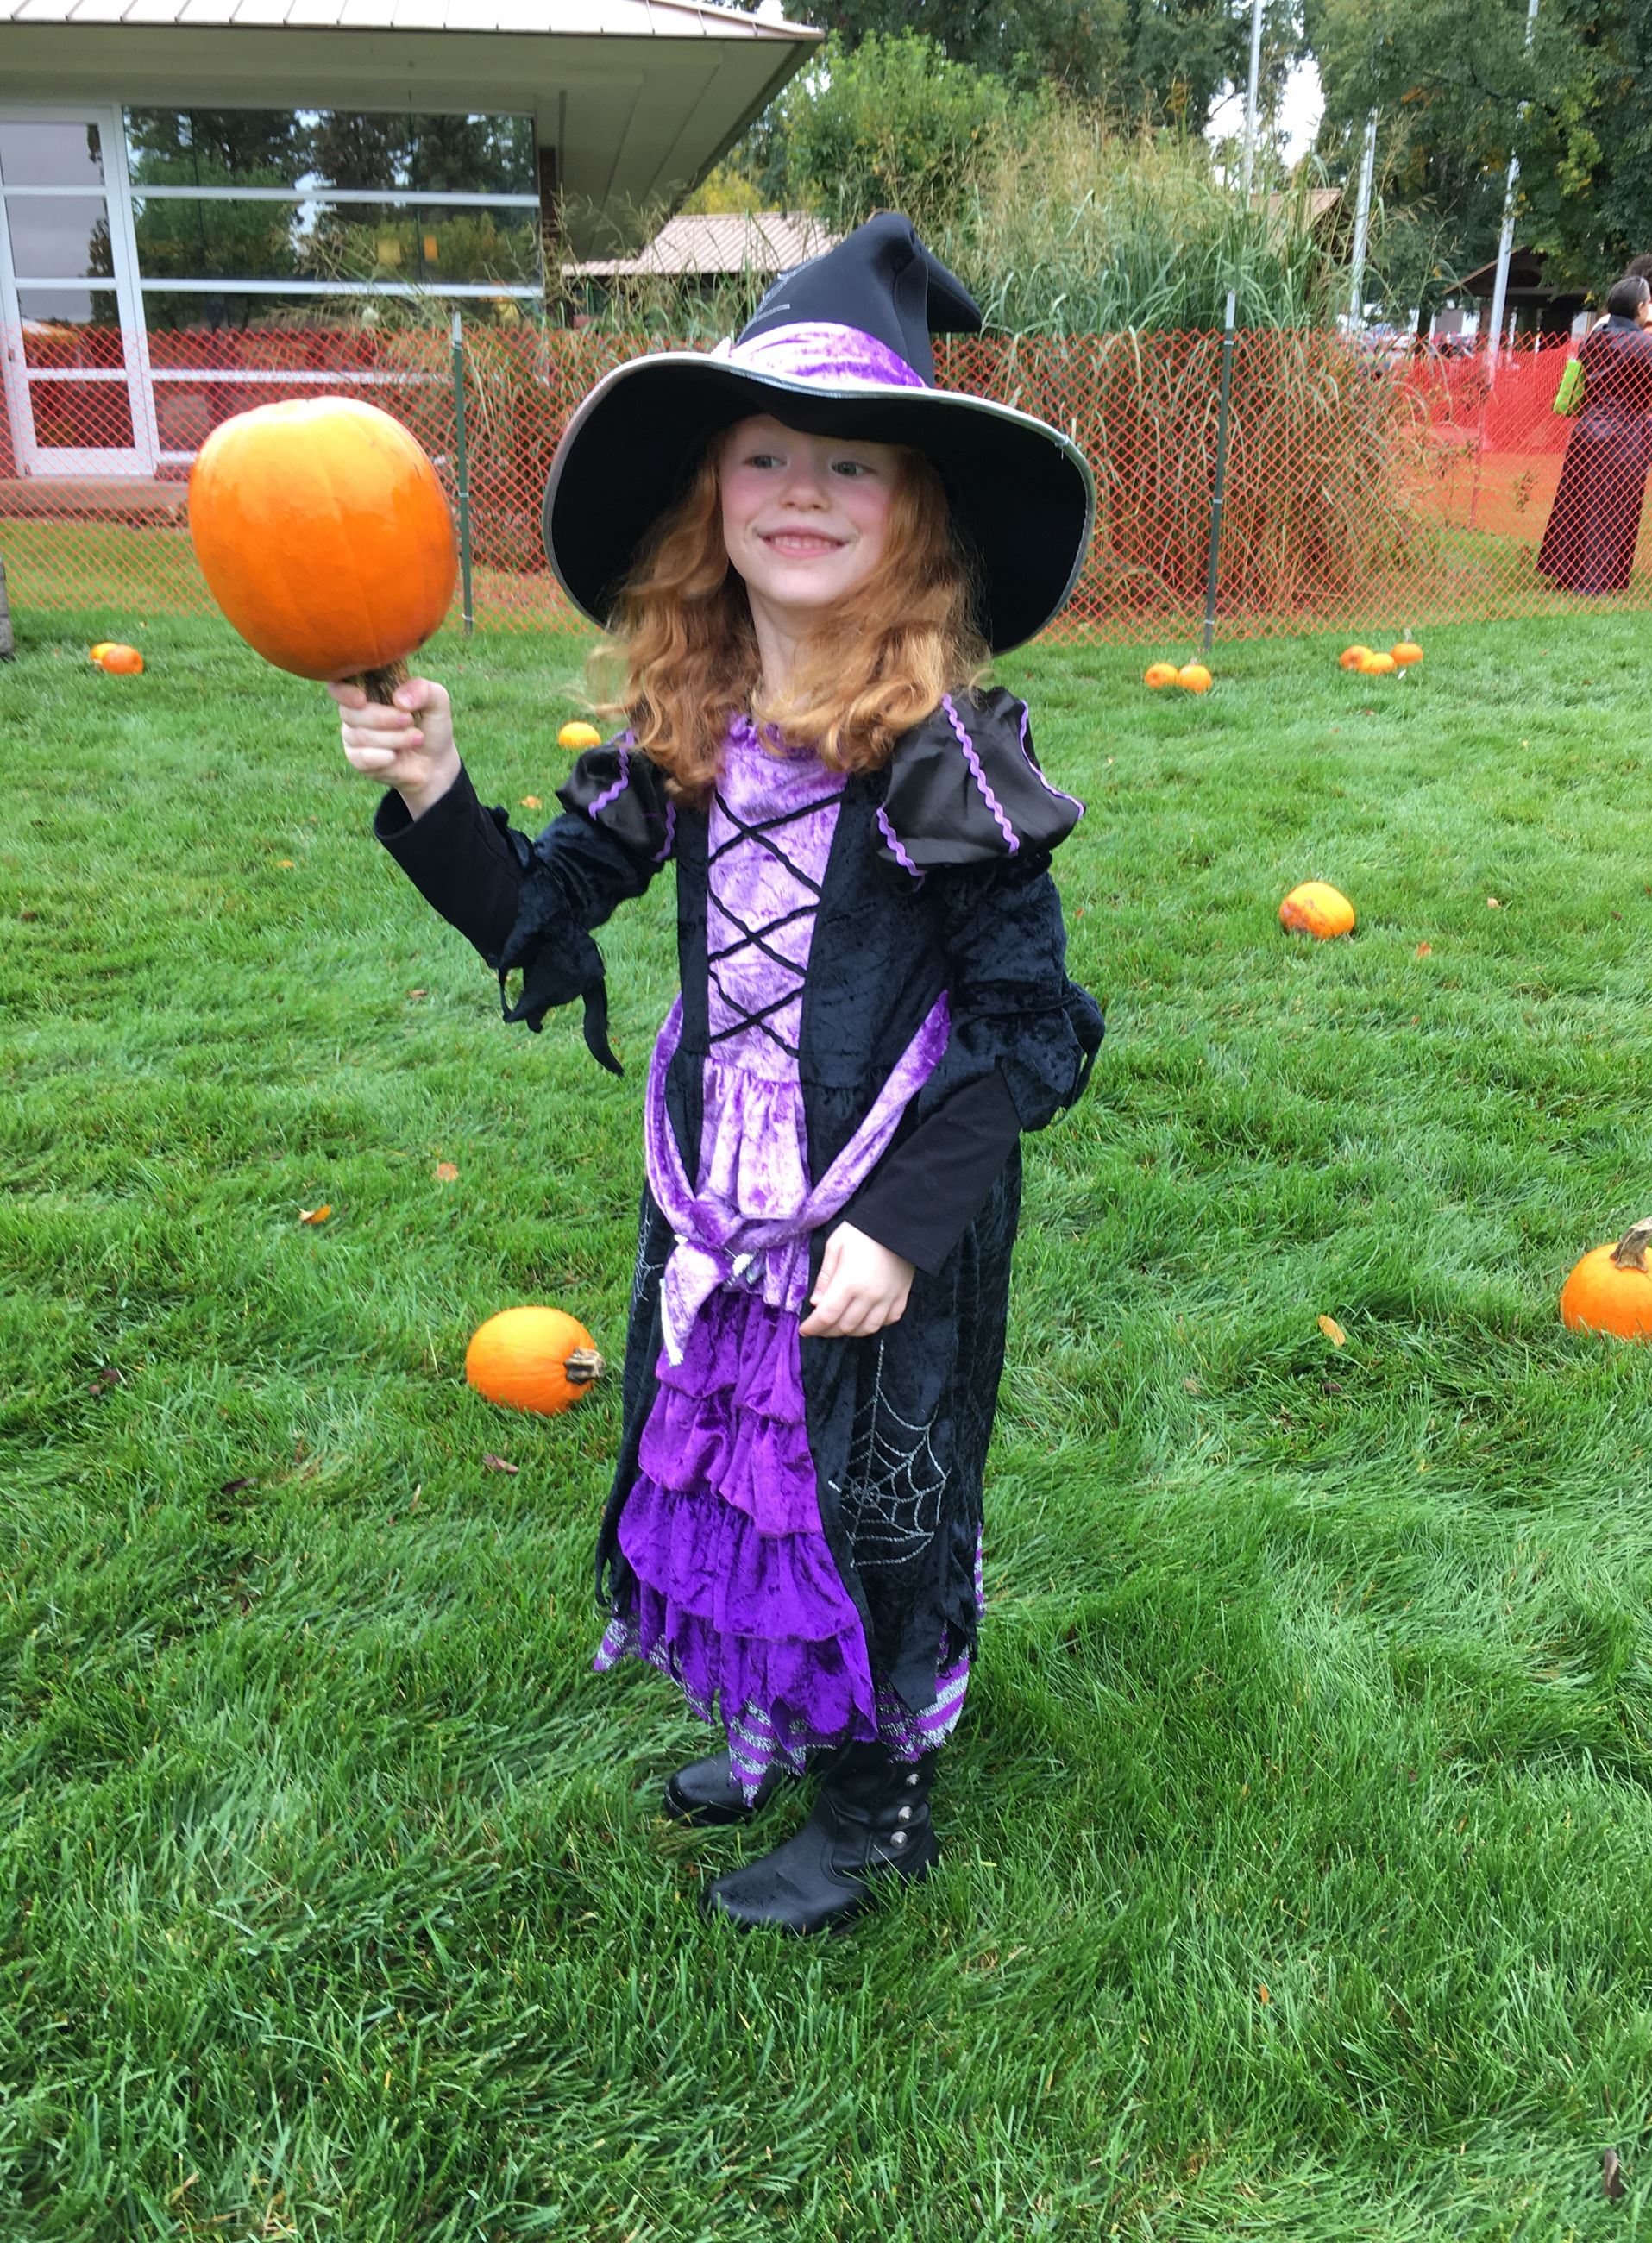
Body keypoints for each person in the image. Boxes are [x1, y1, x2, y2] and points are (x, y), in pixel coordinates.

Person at [331, 216, 1103, 1934]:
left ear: (915, 511)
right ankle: (766, 1716)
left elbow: (1029, 1022)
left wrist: (900, 1230)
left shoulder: (946, 749)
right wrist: (434, 785)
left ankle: (879, 1789)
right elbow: (537, 913)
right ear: (713, 494)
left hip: (885, 1190)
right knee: (712, 1446)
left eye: (851, 462)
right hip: (716, 1179)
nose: (804, 491)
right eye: (766, 454)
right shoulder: (684, 724)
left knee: (872, 1498)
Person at [1538, 272, 1652, 593]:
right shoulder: (1642, 344)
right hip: (1624, 434)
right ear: (1641, 307)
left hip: (1587, 430)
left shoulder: (1594, 339)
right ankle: (1597, 580)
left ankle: (1567, 571)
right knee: (1612, 507)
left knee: (1577, 501)